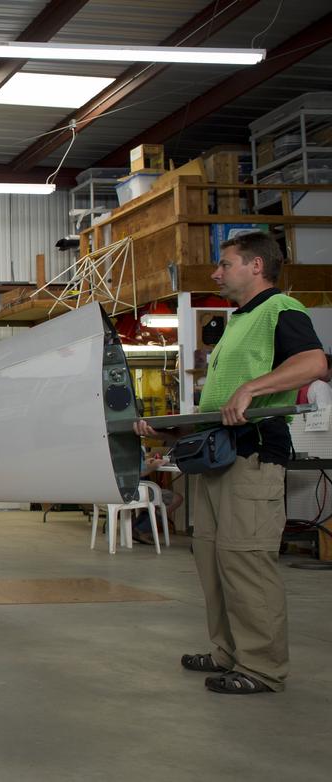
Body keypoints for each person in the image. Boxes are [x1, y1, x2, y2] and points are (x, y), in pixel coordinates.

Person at [135, 232, 326, 695]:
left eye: (224, 264)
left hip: (253, 453)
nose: (216, 274)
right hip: (216, 455)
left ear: (256, 265)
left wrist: (252, 389)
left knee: (245, 562)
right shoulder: (237, 322)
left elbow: (314, 362)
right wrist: (173, 428)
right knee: (213, 561)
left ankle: (261, 668)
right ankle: (226, 652)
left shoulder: (282, 311)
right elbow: (221, 403)